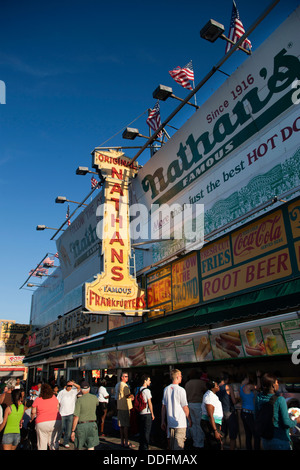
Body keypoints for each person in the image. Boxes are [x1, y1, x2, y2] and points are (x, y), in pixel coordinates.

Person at [255, 372, 300, 450]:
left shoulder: (259, 397)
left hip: (265, 440)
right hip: (280, 440)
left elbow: (256, 416)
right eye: (277, 382)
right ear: (273, 385)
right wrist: (296, 421)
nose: (278, 384)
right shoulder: (280, 400)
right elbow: (286, 423)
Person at [161, 369, 191, 450]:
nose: (181, 377)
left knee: (171, 446)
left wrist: (163, 421)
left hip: (170, 423)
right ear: (177, 377)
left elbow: (163, 407)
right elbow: (185, 407)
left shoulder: (166, 389)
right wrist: (189, 420)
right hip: (180, 423)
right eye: (181, 376)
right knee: (179, 446)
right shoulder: (181, 390)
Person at [31, 383, 62, 450]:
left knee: (42, 443)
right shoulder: (54, 398)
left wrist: (32, 419)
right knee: (53, 441)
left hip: (42, 422)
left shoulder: (38, 399)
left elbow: (33, 412)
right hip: (56, 421)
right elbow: (58, 408)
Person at [71, 380, 99, 450]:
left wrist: (73, 431)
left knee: (78, 446)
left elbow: (76, 416)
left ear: (81, 390)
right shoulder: (94, 398)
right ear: (89, 389)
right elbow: (97, 404)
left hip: (81, 426)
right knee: (91, 446)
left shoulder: (79, 400)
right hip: (92, 424)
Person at [184, 369, 206, 449]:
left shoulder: (187, 384)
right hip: (198, 404)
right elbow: (206, 390)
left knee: (192, 424)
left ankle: (195, 440)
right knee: (199, 424)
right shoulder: (201, 383)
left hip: (190, 404)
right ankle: (199, 443)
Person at [217, 372, 239, 450]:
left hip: (220, 413)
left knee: (222, 434)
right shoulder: (228, 387)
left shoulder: (216, 388)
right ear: (227, 380)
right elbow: (234, 401)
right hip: (229, 412)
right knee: (232, 435)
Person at [201, 379, 223, 450]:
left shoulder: (213, 395)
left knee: (215, 444)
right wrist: (215, 431)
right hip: (210, 424)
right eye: (217, 385)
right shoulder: (209, 396)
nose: (218, 386)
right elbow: (210, 415)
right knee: (215, 445)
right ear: (212, 388)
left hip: (214, 423)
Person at [240, 374, 260, 450]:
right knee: (256, 434)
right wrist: (258, 377)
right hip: (249, 413)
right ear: (246, 378)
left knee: (248, 435)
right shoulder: (248, 387)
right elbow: (258, 387)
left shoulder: (241, 387)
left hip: (244, 412)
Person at [57, 380, 80, 448]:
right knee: (61, 427)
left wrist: (74, 384)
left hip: (70, 413)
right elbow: (58, 402)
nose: (70, 387)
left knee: (69, 429)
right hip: (62, 413)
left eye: (71, 386)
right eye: (68, 386)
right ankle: (58, 439)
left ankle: (66, 441)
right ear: (65, 386)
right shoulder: (61, 392)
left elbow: (79, 388)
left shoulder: (73, 391)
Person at [117, 372, 135, 448]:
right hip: (125, 407)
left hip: (120, 406)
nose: (127, 378)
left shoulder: (118, 384)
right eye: (125, 376)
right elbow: (127, 395)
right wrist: (132, 395)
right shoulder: (124, 385)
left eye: (127, 376)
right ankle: (126, 442)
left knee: (121, 425)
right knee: (125, 426)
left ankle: (122, 441)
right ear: (122, 377)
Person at [138, 374, 155, 451]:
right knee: (147, 432)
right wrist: (152, 413)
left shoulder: (139, 389)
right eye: (149, 380)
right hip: (147, 413)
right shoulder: (147, 391)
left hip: (141, 413)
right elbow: (150, 402)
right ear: (145, 381)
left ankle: (141, 446)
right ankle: (145, 447)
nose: (150, 381)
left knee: (142, 431)